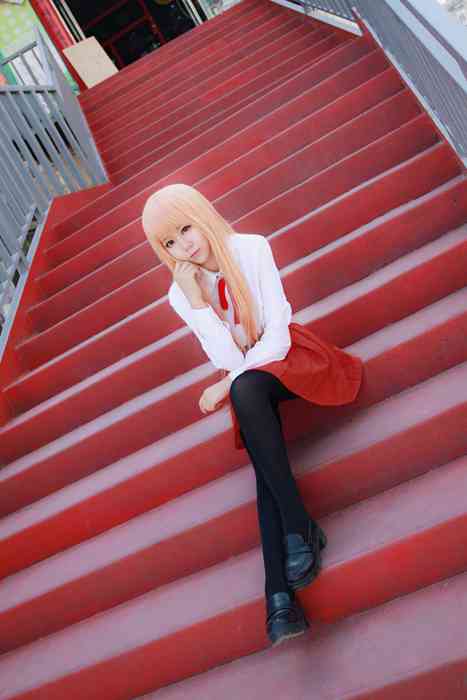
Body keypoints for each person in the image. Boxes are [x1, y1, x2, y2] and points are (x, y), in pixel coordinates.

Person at [142, 183, 363, 647]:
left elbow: (277, 339)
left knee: (242, 391)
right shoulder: (180, 294)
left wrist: (226, 383)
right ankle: (287, 569)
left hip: (292, 360)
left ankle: (280, 592)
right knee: (247, 400)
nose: (185, 245)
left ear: (202, 214)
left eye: (186, 228)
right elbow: (224, 356)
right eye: (170, 242)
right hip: (250, 384)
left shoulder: (251, 248)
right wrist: (197, 301)